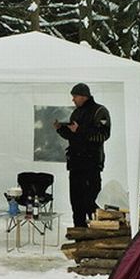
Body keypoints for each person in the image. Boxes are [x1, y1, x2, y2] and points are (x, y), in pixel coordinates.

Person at [54, 83, 111, 227]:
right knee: (76, 201)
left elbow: (103, 135)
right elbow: (73, 136)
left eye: (75, 96)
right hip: (75, 164)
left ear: (84, 96)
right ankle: (78, 231)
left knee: (91, 201)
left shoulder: (100, 111)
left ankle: (95, 231)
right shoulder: (76, 113)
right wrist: (61, 129)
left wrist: (80, 130)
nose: (73, 99)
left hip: (91, 164)